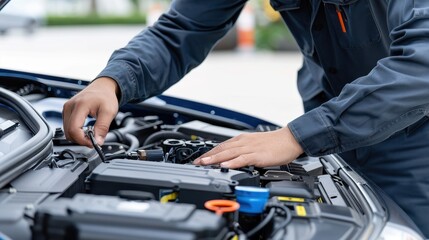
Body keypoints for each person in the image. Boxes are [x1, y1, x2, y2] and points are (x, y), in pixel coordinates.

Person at [62, 0, 429, 236]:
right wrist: (112, 81)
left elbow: (422, 66)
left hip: (413, 141)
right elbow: (180, 29)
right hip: (332, 127)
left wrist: (296, 138)